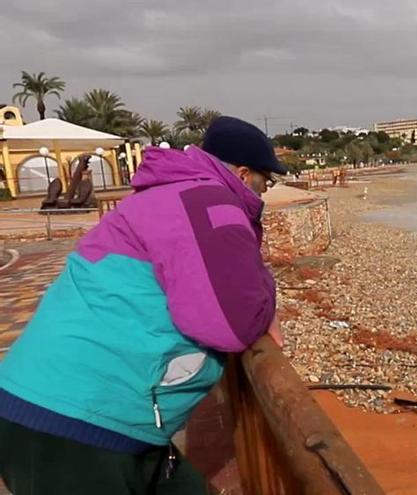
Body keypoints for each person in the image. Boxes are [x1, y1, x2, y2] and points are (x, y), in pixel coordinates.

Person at [0, 116, 287, 494]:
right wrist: (267, 304)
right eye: (265, 182)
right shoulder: (210, 201)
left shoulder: (164, 195)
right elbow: (234, 323)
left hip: (77, 409)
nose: (263, 193)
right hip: (75, 420)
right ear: (244, 173)